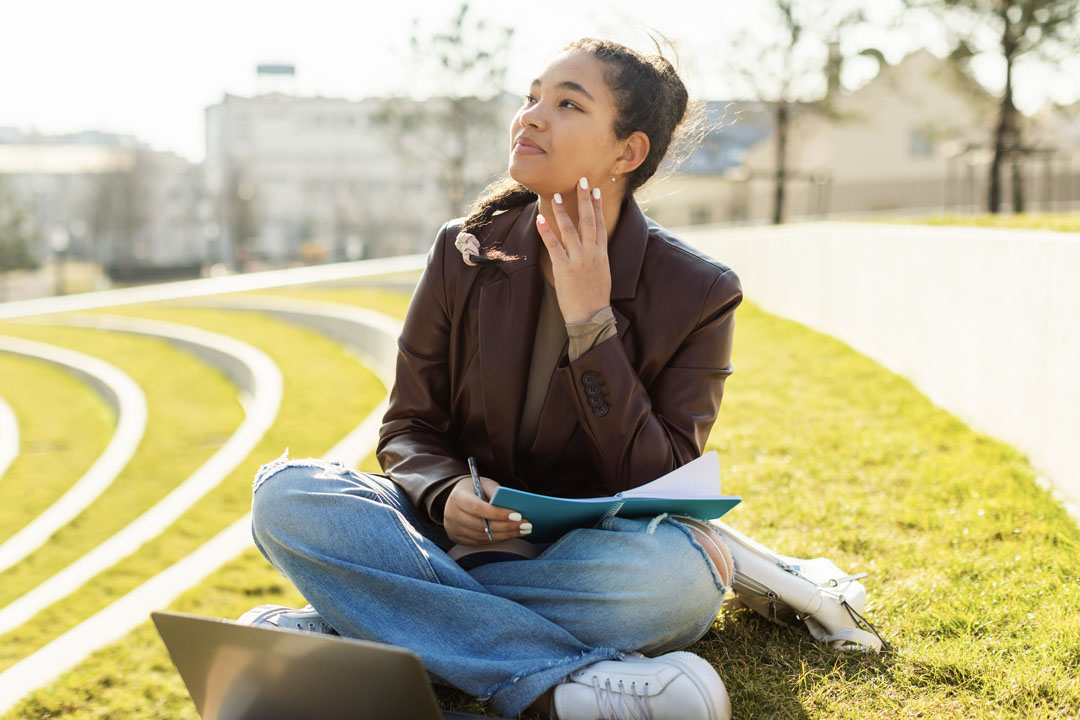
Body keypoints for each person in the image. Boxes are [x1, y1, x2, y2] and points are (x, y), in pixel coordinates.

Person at [243, 38, 743, 720]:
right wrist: (445, 491)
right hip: (447, 535)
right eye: (532, 95)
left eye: (567, 104)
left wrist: (592, 321)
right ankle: (553, 690)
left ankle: (367, 622)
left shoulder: (699, 291)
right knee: (285, 495)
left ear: (628, 152)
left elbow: (659, 477)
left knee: (681, 583)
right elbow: (409, 425)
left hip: (583, 555)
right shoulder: (465, 248)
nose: (532, 115)